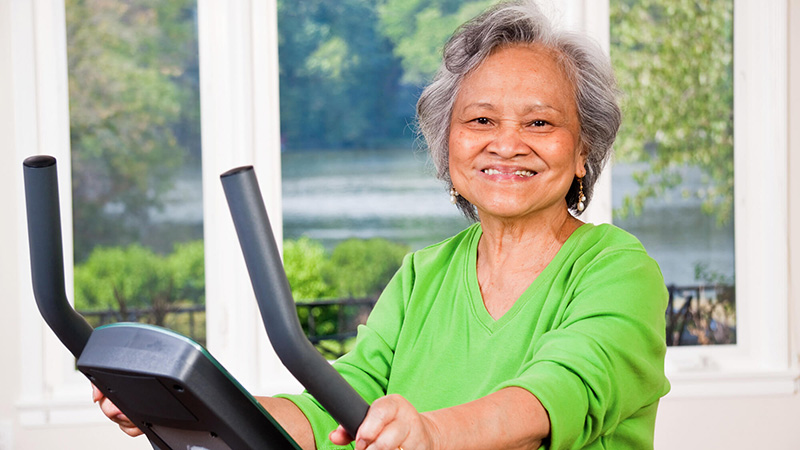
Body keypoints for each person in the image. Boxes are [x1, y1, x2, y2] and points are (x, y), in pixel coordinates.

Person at [96, 1, 670, 448]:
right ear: (449, 150)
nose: (507, 143)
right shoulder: (424, 276)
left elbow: (556, 396)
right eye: (480, 119)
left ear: (582, 152)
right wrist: (204, 410)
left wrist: (433, 436)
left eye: (540, 122)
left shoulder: (618, 270)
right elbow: (341, 408)